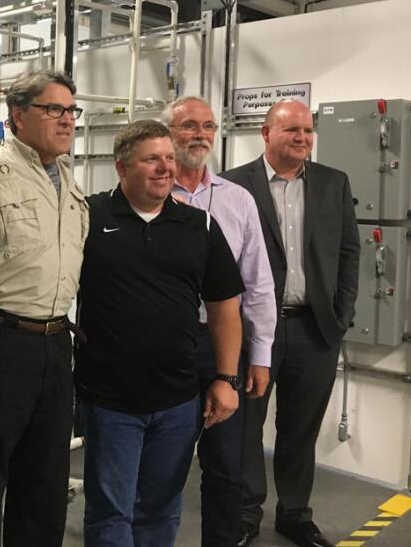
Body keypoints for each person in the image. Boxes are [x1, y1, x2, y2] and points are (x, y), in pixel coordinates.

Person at [75, 119, 245, 547]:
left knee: (160, 510)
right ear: (121, 167)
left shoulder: (199, 225)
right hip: (109, 401)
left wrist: (225, 379)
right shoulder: (89, 216)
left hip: (177, 400)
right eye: (152, 159)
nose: (165, 168)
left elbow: (225, 306)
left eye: (168, 158)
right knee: (110, 512)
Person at [223, 100, 359, 547]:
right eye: (291, 130)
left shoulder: (332, 183)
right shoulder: (234, 184)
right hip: (252, 330)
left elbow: (348, 252)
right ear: (266, 134)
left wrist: (341, 314)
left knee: (301, 427)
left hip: (314, 328)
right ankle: (245, 513)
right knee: (246, 424)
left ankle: (295, 514)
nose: (302, 138)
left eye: (307, 130)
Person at [0, 70, 89, 547]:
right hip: (3, 342)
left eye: (71, 111)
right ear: (18, 116)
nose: (67, 121)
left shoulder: (67, 177)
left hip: (56, 342)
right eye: (54, 110)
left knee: (45, 482)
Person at [162, 96, 276, 547]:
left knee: (227, 465)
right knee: (161, 463)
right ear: (169, 132)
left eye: (208, 126)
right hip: (163, 344)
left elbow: (258, 283)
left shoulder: (237, 200)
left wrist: (261, 355)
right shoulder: (150, 192)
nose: (200, 135)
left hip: (221, 343)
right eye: (189, 125)